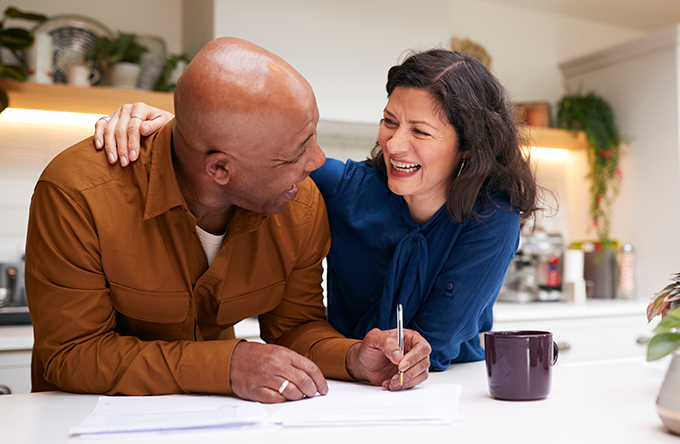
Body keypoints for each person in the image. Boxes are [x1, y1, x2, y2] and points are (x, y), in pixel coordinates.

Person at [25, 37, 430, 403]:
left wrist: (354, 357)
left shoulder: (299, 203)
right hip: (79, 428)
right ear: (219, 169)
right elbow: (72, 354)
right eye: (294, 153)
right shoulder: (77, 194)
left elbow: (294, 328)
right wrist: (227, 365)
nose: (317, 162)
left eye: (313, 135)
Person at [96, 49, 540, 370]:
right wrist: (173, 127)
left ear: (468, 148)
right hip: (347, 375)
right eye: (389, 121)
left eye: (420, 131)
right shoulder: (349, 189)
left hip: (442, 387)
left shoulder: (492, 219)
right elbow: (254, 154)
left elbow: (433, 345)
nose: (394, 143)